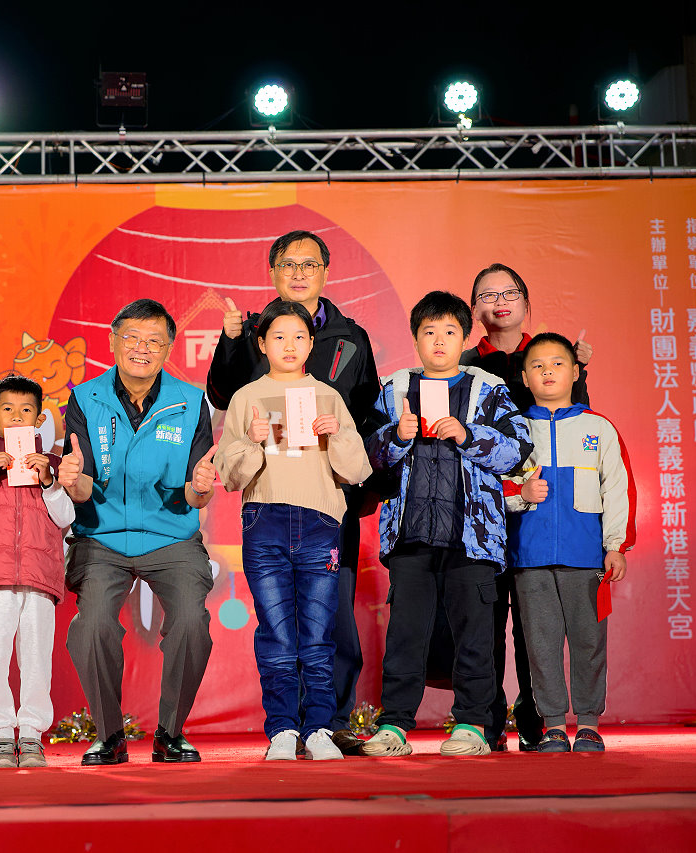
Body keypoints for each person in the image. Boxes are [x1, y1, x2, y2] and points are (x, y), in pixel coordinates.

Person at [205, 230, 381, 756]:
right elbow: (224, 409)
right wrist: (231, 341)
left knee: (329, 627)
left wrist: (344, 450)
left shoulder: (350, 343)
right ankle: (284, 726)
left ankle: (328, 724)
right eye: (288, 263)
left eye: (310, 263)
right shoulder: (250, 346)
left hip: (327, 510)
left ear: (326, 272)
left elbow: (366, 426)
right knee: (278, 630)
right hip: (266, 510)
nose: (300, 271)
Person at [362, 291, 530, 758]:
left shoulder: (488, 389)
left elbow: (518, 449)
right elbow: (369, 459)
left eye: (449, 332)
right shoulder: (394, 389)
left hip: (472, 537)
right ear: (415, 338)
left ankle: (473, 725)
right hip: (410, 533)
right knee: (405, 635)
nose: (438, 341)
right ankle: (394, 726)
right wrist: (396, 437)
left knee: (475, 633)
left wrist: (468, 434)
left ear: (465, 338)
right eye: (429, 332)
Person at [57, 298, 217, 766]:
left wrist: (202, 491)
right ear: (112, 342)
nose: (141, 349)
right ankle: (109, 735)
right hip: (102, 537)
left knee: (192, 620)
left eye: (153, 341)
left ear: (169, 347)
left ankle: (171, 732)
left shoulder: (190, 402)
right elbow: (83, 485)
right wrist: (72, 482)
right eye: (131, 338)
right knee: (90, 628)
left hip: (172, 536)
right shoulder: (85, 398)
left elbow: (196, 491)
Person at [461, 263, 594, 751]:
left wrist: (580, 369)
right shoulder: (464, 363)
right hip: (485, 509)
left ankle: (539, 717)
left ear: (527, 302)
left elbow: (577, 430)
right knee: (486, 620)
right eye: (486, 294)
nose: (499, 301)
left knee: (537, 625)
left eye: (509, 292)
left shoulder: (550, 355)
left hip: (543, 509)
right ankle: (488, 717)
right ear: (473, 308)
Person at [504, 333, 635, 752]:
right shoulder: (514, 429)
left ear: (575, 372)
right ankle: (555, 725)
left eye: (557, 363)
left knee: (588, 640)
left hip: (585, 557)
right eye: (538, 365)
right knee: (539, 645)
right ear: (524, 377)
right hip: (530, 557)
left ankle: (590, 723)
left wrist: (615, 544)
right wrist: (518, 496)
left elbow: (617, 488)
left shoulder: (598, 427)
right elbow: (492, 487)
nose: (548, 372)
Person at [0, 375, 75, 769]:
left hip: (40, 575)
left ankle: (31, 735)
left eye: (26, 410)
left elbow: (66, 517)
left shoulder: (53, 465)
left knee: (35, 657)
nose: (16, 417)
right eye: (7, 410)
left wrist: (48, 480)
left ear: (40, 416)